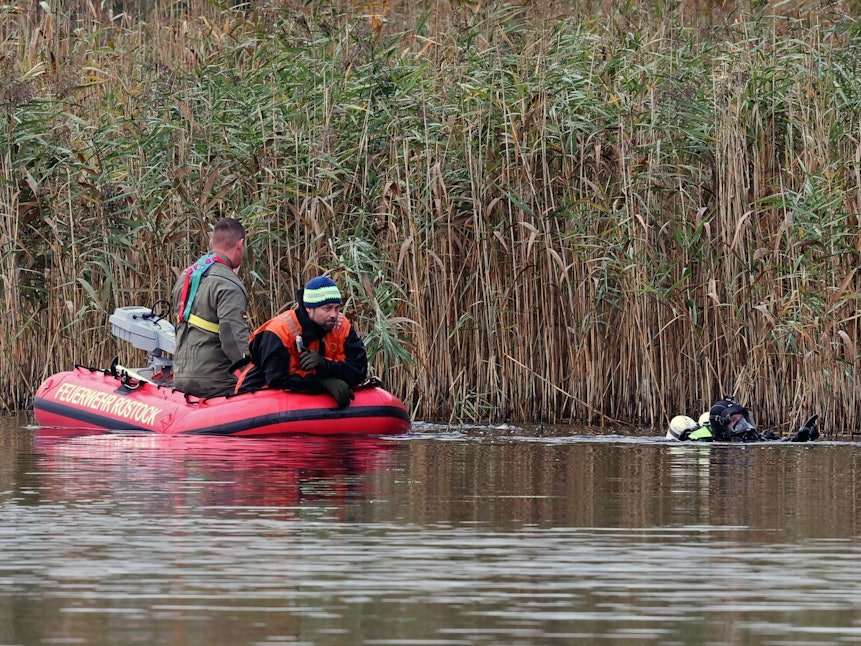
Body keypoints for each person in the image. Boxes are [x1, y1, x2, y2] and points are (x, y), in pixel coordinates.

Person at [235, 275, 368, 408]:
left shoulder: (342, 327)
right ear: (309, 308)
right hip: (259, 400)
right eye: (327, 308)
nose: (334, 314)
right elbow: (276, 380)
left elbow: (358, 370)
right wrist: (322, 382)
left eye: (337, 308)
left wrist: (325, 365)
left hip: (307, 406)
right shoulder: (280, 331)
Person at [170, 217, 251, 398]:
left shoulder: (186, 276)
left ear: (210, 243)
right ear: (240, 244)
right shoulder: (229, 284)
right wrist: (255, 374)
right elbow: (233, 340)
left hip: (181, 378)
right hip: (217, 382)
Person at [666, 397, 818, 442]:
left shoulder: (747, 437)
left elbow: (779, 444)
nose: (741, 425)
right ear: (721, 426)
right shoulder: (704, 441)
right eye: (734, 420)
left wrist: (801, 437)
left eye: (743, 419)